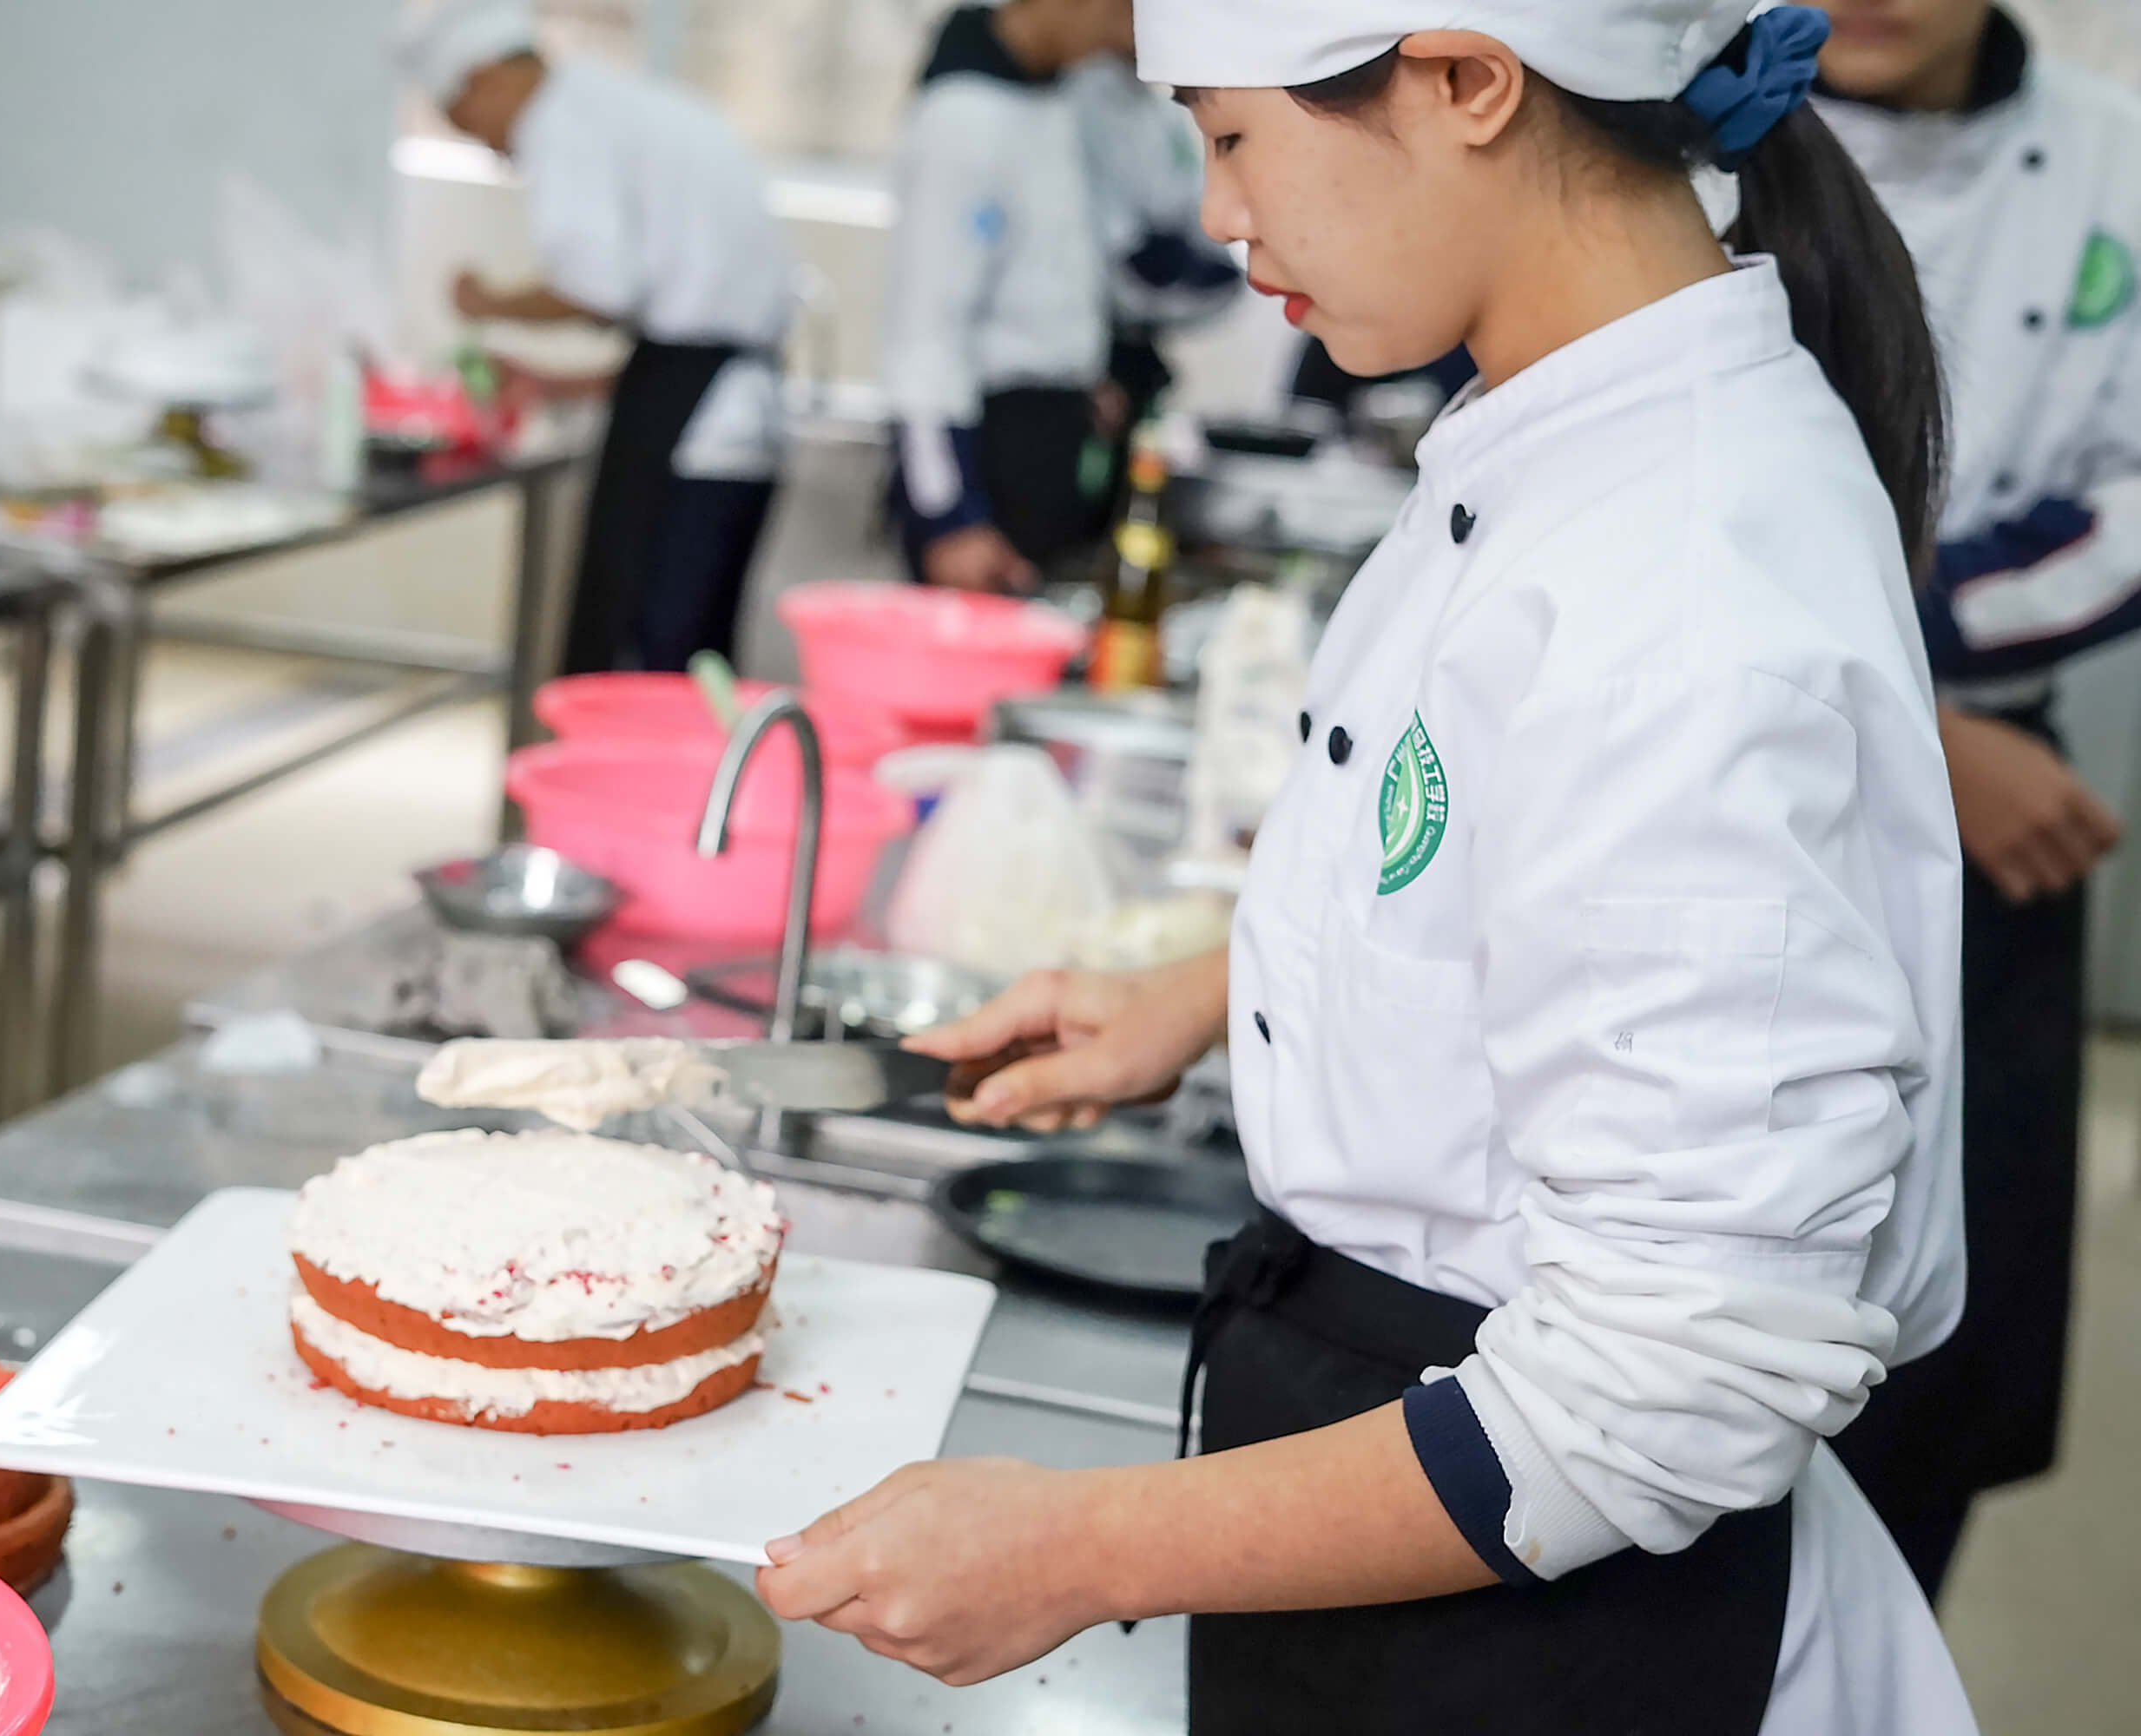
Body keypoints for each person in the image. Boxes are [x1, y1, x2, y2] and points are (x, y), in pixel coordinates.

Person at [754, 4, 1981, 1732]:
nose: (1220, 213)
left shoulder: (1678, 581)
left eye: (1236, 136)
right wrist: (1207, 994)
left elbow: (1672, 1377)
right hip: (1417, 1523)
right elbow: (1499, 869)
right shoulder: (1550, 431)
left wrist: (1083, 1542)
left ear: (1468, 79)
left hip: (1552, 1620)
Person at [1809, 0, 2141, 1604]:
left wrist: (1916, 677)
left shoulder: (2111, 158)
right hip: (1742, 755)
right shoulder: (1681, 120)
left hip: (2006, 772)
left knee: (1940, 1352)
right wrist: (1909, 723)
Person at [397, 0, 794, 675]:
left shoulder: (558, 119)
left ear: (487, 76)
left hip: (695, 440)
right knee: (697, 659)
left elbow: (601, 289)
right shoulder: (625, 107)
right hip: (734, 418)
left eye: (470, 124)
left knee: (641, 657)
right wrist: (555, 382)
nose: (491, 149)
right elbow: (678, 338)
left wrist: (488, 302)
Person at [884, 0, 1135, 594]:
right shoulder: (961, 118)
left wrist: (1076, 377)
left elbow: (1038, 279)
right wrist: (950, 517)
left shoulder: (1053, 105)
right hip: (981, 455)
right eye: (1119, 11)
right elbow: (923, 334)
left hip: (1054, 434)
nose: (1126, 34)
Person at [1062, 47, 1247, 489]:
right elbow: (1108, 262)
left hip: (1133, 359)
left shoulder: (1158, 111)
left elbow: (1198, 222)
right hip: (1078, 365)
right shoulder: (1072, 100)